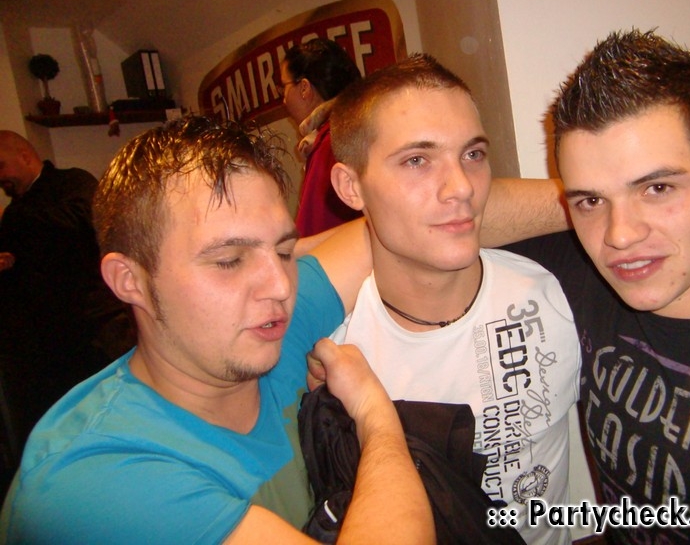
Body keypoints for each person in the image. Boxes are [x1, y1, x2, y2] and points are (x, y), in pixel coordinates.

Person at [0, 116, 434, 544]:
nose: (281, 287)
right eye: (229, 261)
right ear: (131, 281)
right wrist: (374, 413)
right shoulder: (93, 478)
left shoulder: (263, 330)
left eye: (283, 252)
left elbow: (398, 231)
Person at [505, 29, 690, 543]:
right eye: (590, 201)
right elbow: (440, 216)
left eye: (658, 187)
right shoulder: (590, 275)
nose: (619, 236)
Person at [327, 54, 581, 544]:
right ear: (350, 186)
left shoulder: (555, 292)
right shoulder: (336, 353)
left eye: (473, 154)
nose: (462, 187)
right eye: (417, 160)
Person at [0, 131, 132, 482]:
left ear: (24, 155)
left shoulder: (72, 183)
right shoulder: (15, 214)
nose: (1, 179)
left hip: (95, 333)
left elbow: (84, 223)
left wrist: (16, 219)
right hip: (45, 349)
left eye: (1, 166)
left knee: (110, 421)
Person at [280, 38, 363, 236]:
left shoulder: (329, 144)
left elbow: (322, 234)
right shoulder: (351, 131)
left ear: (304, 88)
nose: (284, 99)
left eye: (284, 86)